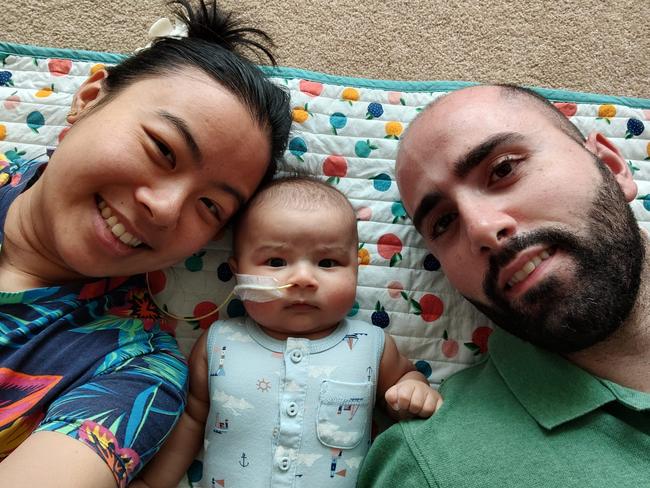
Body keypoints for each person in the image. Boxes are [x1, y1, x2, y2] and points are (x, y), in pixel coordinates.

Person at [0, 1, 292, 487]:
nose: (167, 209)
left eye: (210, 207)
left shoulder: (137, 374)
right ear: (90, 97)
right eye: (162, 149)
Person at [358, 84, 649, 487]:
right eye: (443, 223)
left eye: (504, 169)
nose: (481, 228)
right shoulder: (429, 468)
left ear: (613, 166)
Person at [131, 176, 443, 488]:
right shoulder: (219, 344)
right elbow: (192, 420)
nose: (304, 279)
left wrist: (413, 389)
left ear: (356, 271)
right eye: (276, 261)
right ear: (238, 273)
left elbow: (404, 379)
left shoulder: (369, 345)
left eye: (328, 262)